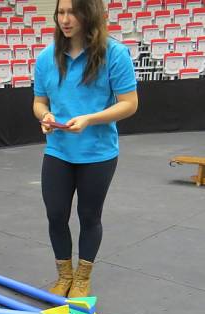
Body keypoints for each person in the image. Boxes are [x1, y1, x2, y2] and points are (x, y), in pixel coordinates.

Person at [33, 0, 138, 298]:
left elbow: (130, 104)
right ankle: (64, 275)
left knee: (89, 216)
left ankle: (82, 279)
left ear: (88, 14)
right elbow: (39, 102)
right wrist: (45, 116)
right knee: (56, 215)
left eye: (72, 12)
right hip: (58, 151)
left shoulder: (114, 54)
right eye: (60, 12)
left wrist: (90, 119)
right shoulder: (46, 58)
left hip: (98, 154)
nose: (65, 19)